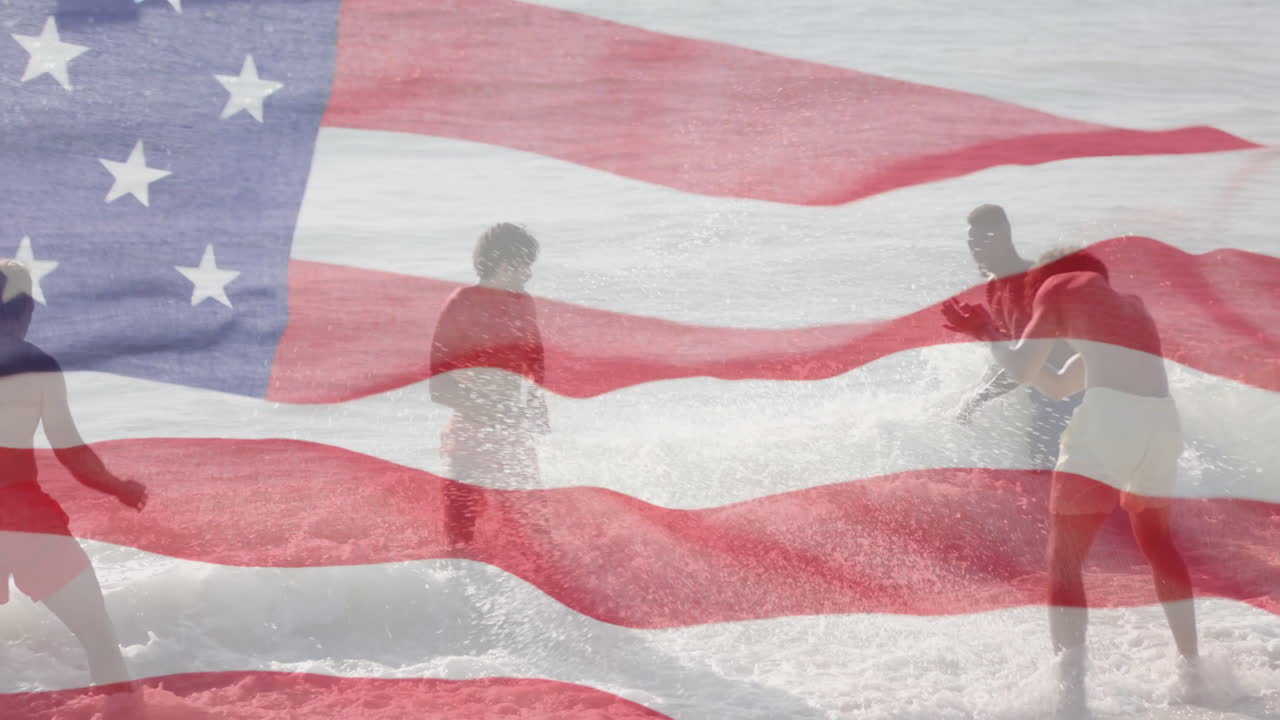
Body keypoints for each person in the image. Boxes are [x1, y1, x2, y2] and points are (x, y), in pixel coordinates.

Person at [943, 247, 1199, 716]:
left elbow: (1020, 369)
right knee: (1159, 544)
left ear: (1049, 281)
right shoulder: (1133, 308)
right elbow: (1059, 383)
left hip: (1109, 423)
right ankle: (1194, 670)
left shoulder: (1059, 285)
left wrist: (984, 332)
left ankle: (1070, 698)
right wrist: (995, 335)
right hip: (1162, 426)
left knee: (1064, 562)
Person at [0, 259, 147, 688]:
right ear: (28, 307)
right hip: (28, 520)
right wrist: (116, 487)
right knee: (99, 637)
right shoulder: (39, 367)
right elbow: (70, 450)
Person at [429, 224, 549, 549]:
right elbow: (439, 386)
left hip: (512, 442)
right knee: (460, 538)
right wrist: (495, 415)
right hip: (469, 440)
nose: (529, 275)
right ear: (506, 265)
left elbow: (534, 357)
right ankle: (454, 598)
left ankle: (530, 601)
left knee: (536, 535)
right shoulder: (462, 304)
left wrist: (537, 401)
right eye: (526, 266)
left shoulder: (523, 303)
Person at [954, 204, 1079, 468]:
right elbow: (1011, 355)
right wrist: (975, 389)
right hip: (1048, 392)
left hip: (1072, 395)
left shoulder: (1030, 283)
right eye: (972, 242)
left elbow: (1025, 363)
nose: (976, 249)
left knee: (1048, 474)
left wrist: (978, 398)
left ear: (1005, 236)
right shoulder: (994, 287)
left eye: (985, 240)